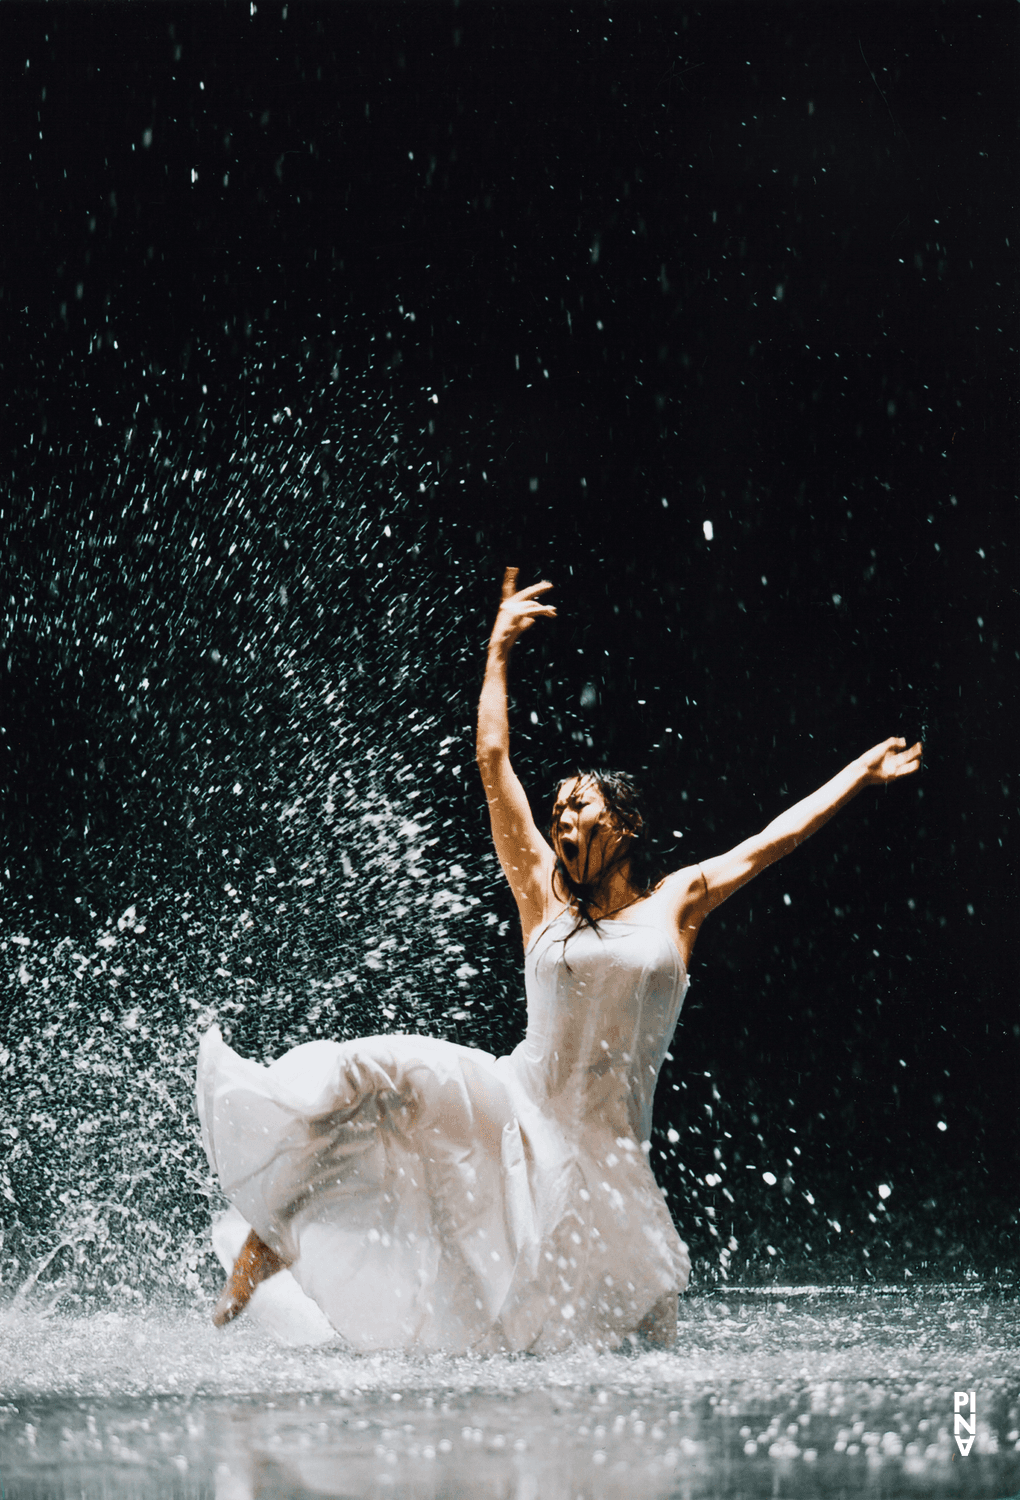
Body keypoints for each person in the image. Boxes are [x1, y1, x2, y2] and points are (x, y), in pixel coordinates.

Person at [197, 568, 921, 1352]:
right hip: (514, 1107)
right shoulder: (542, 894)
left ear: (625, 824)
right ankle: (269, 1236)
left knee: (636, 1341)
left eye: (579, 805)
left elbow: (775, 840)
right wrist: (499, 649)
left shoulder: (676, 902)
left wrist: (859, 773)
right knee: (373, 1075)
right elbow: (492, 760)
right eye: (557, 811)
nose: (562, 817)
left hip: (607, 1158)